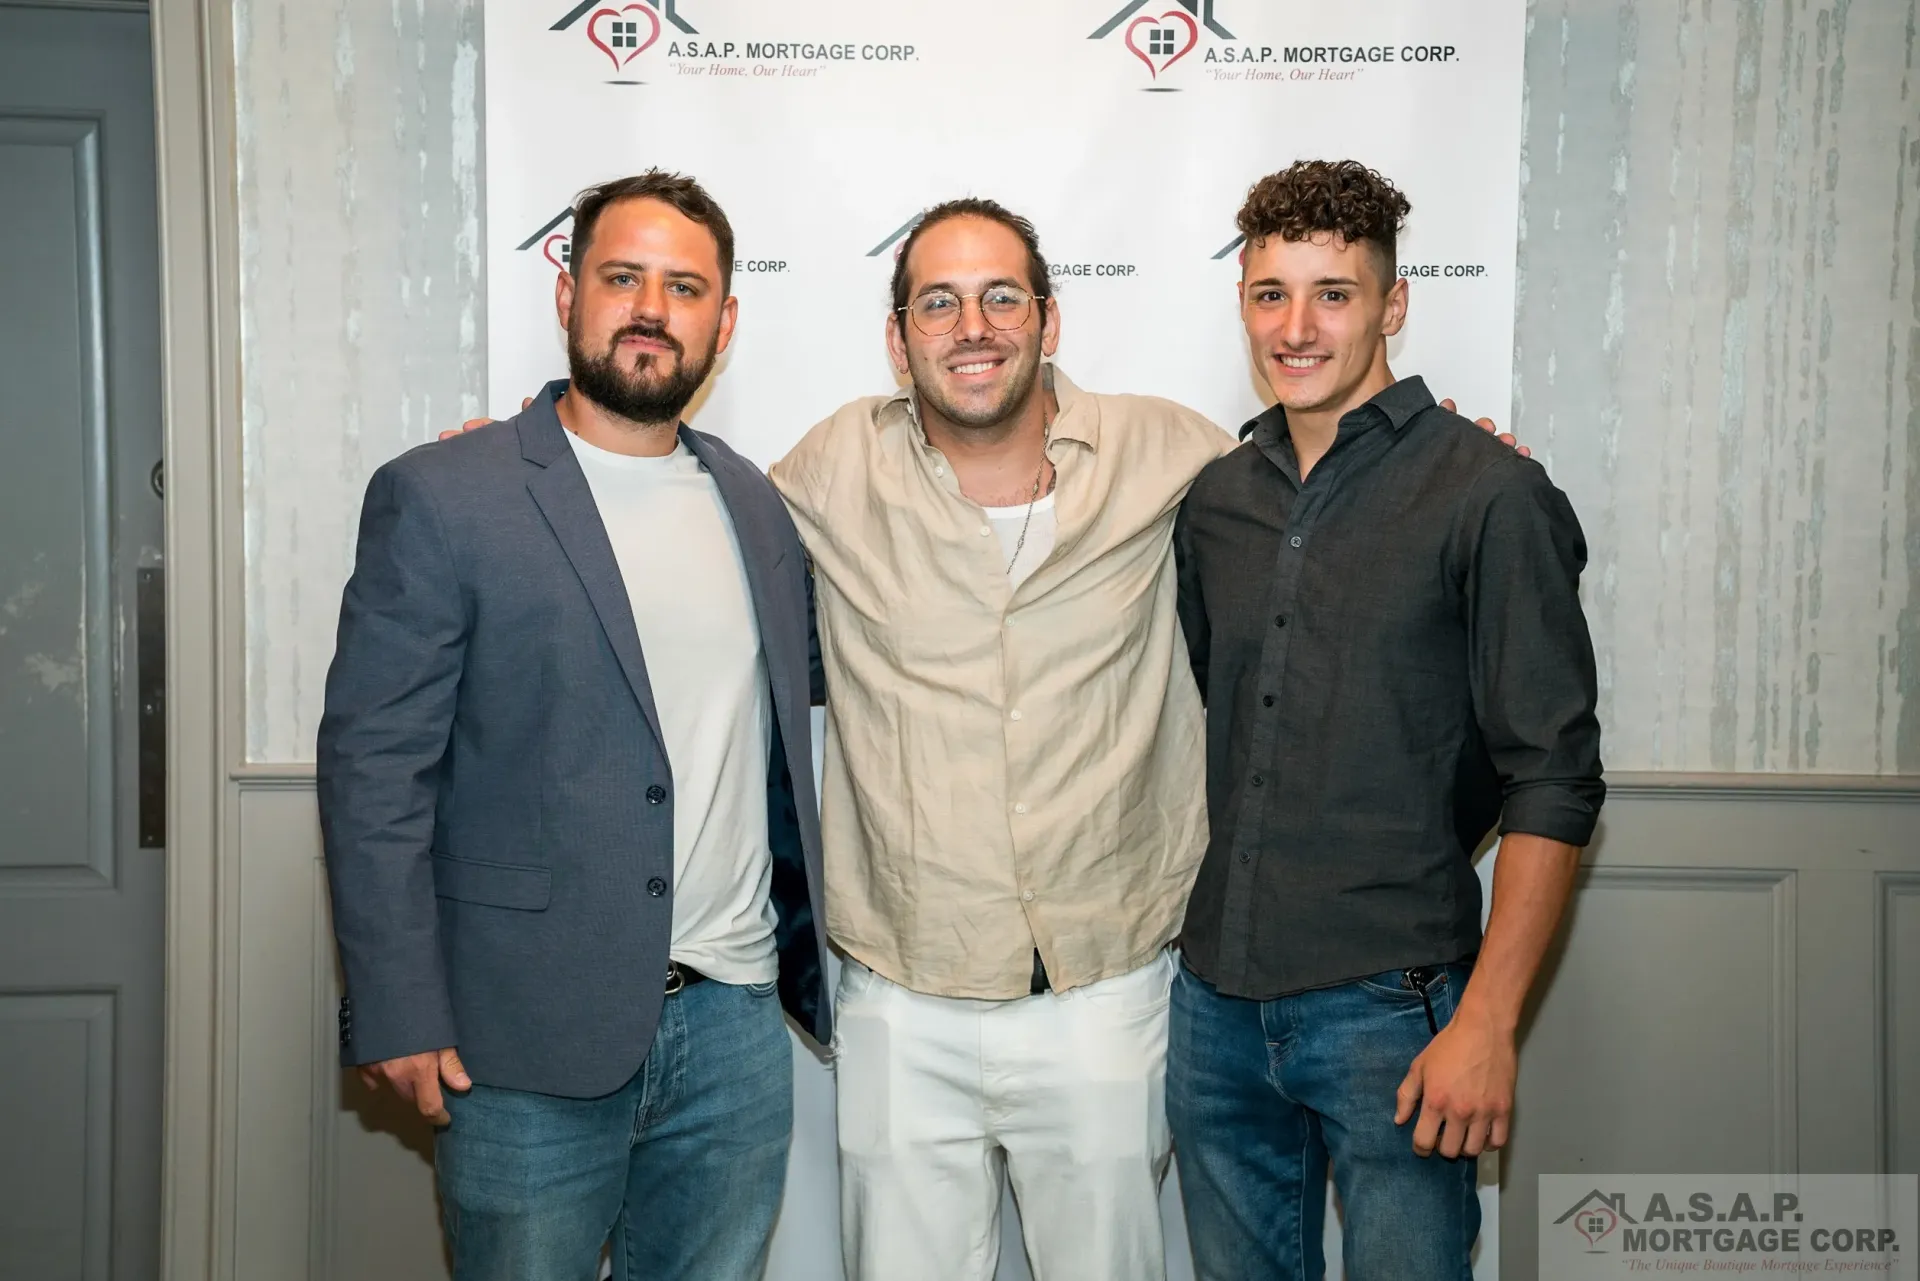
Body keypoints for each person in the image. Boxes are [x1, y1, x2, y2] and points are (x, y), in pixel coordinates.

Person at [316, 170, 831, 1281]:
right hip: (521, 1034)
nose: (652, 308)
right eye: (622, 277)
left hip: (736, 1032)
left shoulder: (757, 504)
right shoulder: (447, 493)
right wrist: (395, 1005)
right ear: (567, 294)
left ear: (724, 322)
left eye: (685, 287)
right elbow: (375, 770)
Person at [1168, 159, 1605, 1281]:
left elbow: (1553, 778)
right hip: (1215, 1006)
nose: (1297, 327)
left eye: (1334, 293)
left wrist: (1488, 1021)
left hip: (1394, 1009)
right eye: (1271, 294)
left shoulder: (1490, 494)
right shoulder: (1216, 501)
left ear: (1393, 304)